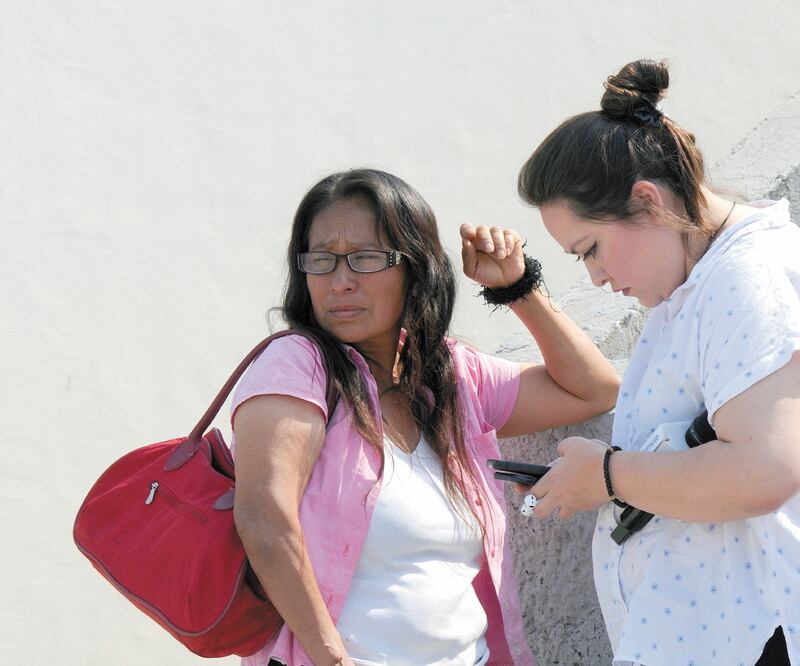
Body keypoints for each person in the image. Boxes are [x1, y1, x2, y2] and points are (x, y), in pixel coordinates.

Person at [231, 168, 620, 666]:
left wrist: (517, 287)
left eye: (367, 258)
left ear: (415, 270)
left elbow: (593, 389)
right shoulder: (297, 365)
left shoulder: (453, 376)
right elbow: (263, 517)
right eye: (322, 260)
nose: (341, 281)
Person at [517, 59, 800, 665]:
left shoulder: (749, 276)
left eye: (590, 249)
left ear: (646, 201)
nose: (595, 277)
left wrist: (608, 476)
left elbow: (764, 472)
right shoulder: (696, 282)